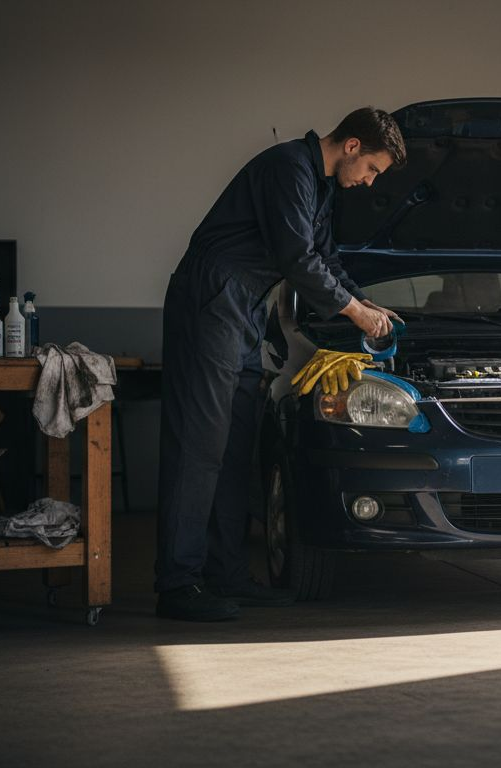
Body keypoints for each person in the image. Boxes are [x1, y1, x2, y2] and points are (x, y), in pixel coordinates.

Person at [155, 107, 406, 621]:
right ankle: (177, 583)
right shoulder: (288, 168)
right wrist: (355, 312)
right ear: (353, 146)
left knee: (233, 446)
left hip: (247, 306)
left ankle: (225, 573)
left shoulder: (322, 186)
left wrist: (369, 305)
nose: (368, 182)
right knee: (199, 444)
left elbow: (326, 259)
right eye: (373, 169)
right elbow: (297, 258)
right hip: (214, 296)